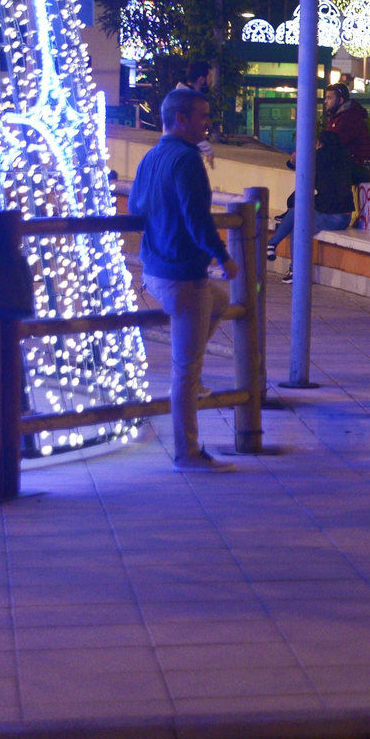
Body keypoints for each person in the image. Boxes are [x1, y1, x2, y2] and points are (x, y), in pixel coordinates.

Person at [128, 87, 238, 473]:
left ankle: (193, 366)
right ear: (181, 119)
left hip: (154, 271)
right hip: (183, 275)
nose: (207, 122)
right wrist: (224, 257)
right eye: (202, 116)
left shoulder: (151, 157)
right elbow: (198, 219)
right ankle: (187, 453)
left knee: (221, 304)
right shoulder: (187, 160)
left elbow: (133, 207)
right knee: (185, 373)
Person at [266, 130, 356, 283]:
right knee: (297, 216)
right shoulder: (345, 159)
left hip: (331, 216)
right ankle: (273, 247)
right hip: (344, 216)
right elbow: (364, 175)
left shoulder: (316, 159)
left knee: (298, 225)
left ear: (319, 144)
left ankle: (289, 264)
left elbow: (301, 176)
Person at [323, 82, 370, 177]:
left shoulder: (349, 118)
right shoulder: (338, 117)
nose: (325, 101)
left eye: (329, 98)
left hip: (356, 168)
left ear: (340, 100)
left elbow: (334, 144)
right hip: (347, 166)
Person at [174, 61, 216, 168]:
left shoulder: (180, 96)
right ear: (201, 80)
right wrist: (207, 148)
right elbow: (187, 131)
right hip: (182, 159)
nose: (212, 81)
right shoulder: (188, 100)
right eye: (210, 77)